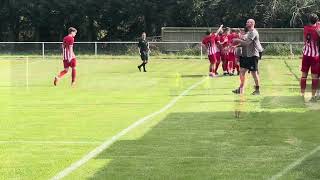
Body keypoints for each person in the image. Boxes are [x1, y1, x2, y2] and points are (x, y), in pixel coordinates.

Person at [232, 19, 262, 95]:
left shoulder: (253, 32)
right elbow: (243, 42)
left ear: (252, 23)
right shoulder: (248, 33)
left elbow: (247, 43)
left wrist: (237, 39)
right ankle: (240, 88)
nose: (246, 23)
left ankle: (257, 90)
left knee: (254, 73)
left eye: (248, 22)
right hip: (245, 55)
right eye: (246, 22)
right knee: (241, 71)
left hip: (253, 55)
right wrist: (235, 46)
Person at [300, 14, 320, 102]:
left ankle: (302, 95)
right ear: (316, 21)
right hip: (315, 56)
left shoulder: (305, 28)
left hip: (306, 54)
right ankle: (313, 96)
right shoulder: (317, 29)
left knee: (303, 76)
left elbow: (305, 40)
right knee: (314, 77)